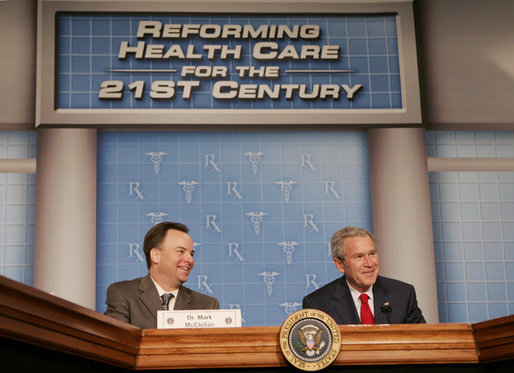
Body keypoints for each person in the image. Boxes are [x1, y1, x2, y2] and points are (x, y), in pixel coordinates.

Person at [105, 222, 219, 329]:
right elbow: (118, 342)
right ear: (155, 256)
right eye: (180, 251)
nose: (190, 259)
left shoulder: (207, 305)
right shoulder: (123, 294)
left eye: (191, 254)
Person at [302, 226, 425, 324]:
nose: (369, 263)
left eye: (372, 254)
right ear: (340, 265)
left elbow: (422, 342)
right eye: (359, 257)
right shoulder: (318, 305)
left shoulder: (403, 294)